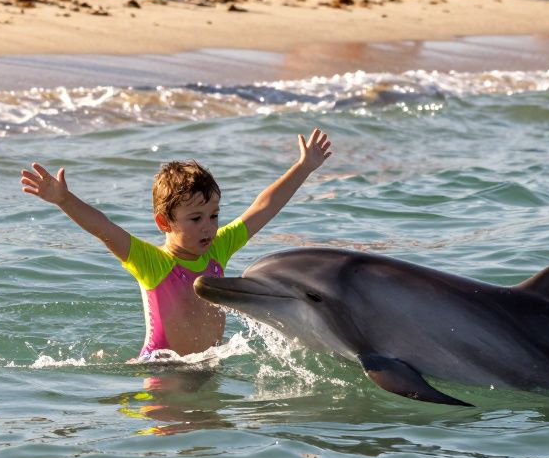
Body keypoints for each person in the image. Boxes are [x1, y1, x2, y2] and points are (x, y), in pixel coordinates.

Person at [20, 129, 333, 360]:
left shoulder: (218, 249)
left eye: (214, 215)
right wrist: (63, 199)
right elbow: (104, 228)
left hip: (208, 366)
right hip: (162, 372)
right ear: (164, 223)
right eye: (195, 219)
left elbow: (262, 208)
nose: (208, 226)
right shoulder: (153, 263)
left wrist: (303, 167)